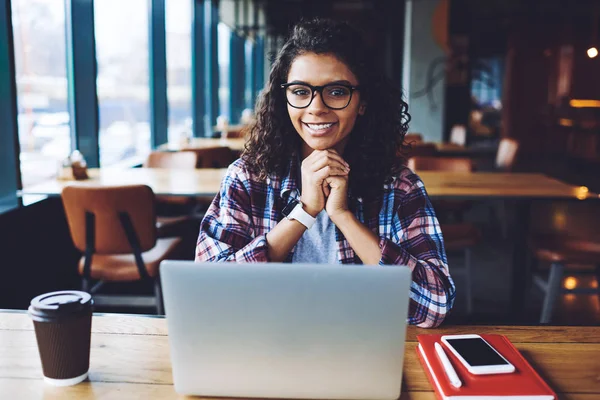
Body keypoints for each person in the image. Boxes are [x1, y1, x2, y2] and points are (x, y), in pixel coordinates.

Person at [196, 18, 455, 328]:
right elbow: (208, 295)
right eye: (301, 91)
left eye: (336, 91)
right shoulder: (248, 178)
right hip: (266, 343)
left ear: (362, 102)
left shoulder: (399, 187)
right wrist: (304, 212)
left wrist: (344, 216)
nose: (316, 107)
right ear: (285, 98)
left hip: (362, 347)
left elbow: (435, 307)